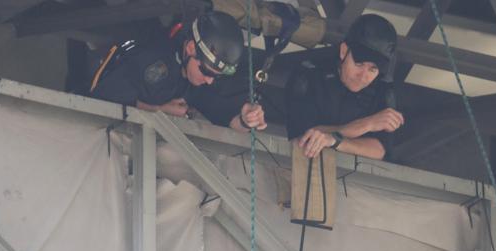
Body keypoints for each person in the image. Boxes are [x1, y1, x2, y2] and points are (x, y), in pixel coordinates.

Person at [89, 11, 266, 133]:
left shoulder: (196, 80)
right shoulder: (153, 58)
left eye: (216, 76)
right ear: (190, 48)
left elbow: (227, 118)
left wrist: (247, 119)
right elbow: (102, 97)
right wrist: (158, 109)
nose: (209, 80)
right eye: (206, 72)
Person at [285, 14, 404, 160]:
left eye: (373, 69)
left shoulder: (383, 88)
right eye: (359, 64)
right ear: (343, 51)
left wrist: (335, 141)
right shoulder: (310, 75)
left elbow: (380, 150)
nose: (363, 75)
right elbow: (305, 137)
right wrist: (367, 124)